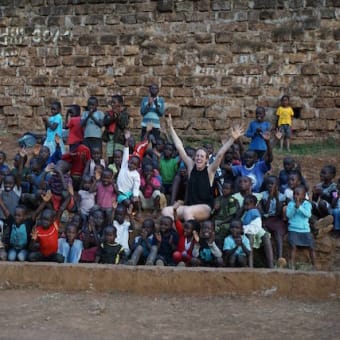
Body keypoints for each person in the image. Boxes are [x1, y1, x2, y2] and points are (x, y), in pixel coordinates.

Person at [162, 114, 244, 222]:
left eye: (202, 156)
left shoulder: (210, 170)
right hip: (190, 207)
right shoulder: (191, 167)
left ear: (206, 160)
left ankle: (192, 236)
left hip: (205, 208)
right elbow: (179, 147)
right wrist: (171, 127)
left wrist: (232, 139)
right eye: (197, 155)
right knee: (166, 211)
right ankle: (176, 234)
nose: (199, 158)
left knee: (188, 212)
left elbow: (219, 155)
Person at [259, 175, 287, 265]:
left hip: (276, 219)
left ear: (277, 185)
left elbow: (279, 211)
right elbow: (266, 210)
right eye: (268, 184)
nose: (270, 186)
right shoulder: (263, 195)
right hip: (267, 218)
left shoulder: (282, 196)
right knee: (266, 232)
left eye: (272, 184)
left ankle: (280, 258)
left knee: (278, 234)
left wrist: (277, 197)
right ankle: (270, 261)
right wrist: (270, 197)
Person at [286, 185, 315, 269]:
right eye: (294, 194)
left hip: (305, 230)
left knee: (311, 247)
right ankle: (291, 265)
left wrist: (300, 207)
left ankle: (314, 266)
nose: (295, 196)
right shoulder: (291, 204)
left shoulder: (307, 204)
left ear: (303, 195)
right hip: (293, 229)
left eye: (298, 194)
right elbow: (288, 215)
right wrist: (295, 207)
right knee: (293, 247)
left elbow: (308, 214)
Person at [242, 194, 274, 268]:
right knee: (265, 236)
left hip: (252, 228)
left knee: (251, 239)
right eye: (244, 204)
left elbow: (246, 222)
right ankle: (271, 264)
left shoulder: (251, 211)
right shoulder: (255, 211)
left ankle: (251, 265)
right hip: (258, 229)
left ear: (254, 205)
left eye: (247, 205)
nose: (245, 206)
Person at [116, 131, 141, 216]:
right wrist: (126, 140)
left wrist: (135, 195)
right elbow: (126, 149)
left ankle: (137, 212)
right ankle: (129, 210)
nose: (131, 165)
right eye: (131, 162)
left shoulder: (136, 174)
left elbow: (136, 186)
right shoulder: (124, 165)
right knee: (127, 202)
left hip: (129, 193)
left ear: (137, 167)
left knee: (136, 200)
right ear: (128, 161)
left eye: (134, 164)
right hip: (121, 193)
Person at [211, 181, 240, 249]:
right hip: (216, 221)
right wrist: (215, 209)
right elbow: (212, 214)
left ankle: (221, 252)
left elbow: (232, 216)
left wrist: (222, 222)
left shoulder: (232, 200)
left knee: (219, 236)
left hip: (226, 222)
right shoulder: (218, 199)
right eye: (223, 188)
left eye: (227, 188)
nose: (224, 190)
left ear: (232, 190)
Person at [103, 94, 130, 163]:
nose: (112, 104)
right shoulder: (109, 113)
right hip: (110, 138)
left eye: (114, 102)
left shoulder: (124, 114)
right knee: (110, 156)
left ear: (120, 104)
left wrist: (118, 116)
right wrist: (113, 117)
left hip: (119, 138)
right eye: (111, 102)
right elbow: (105, 123)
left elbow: (123, 125)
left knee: (118, 156)